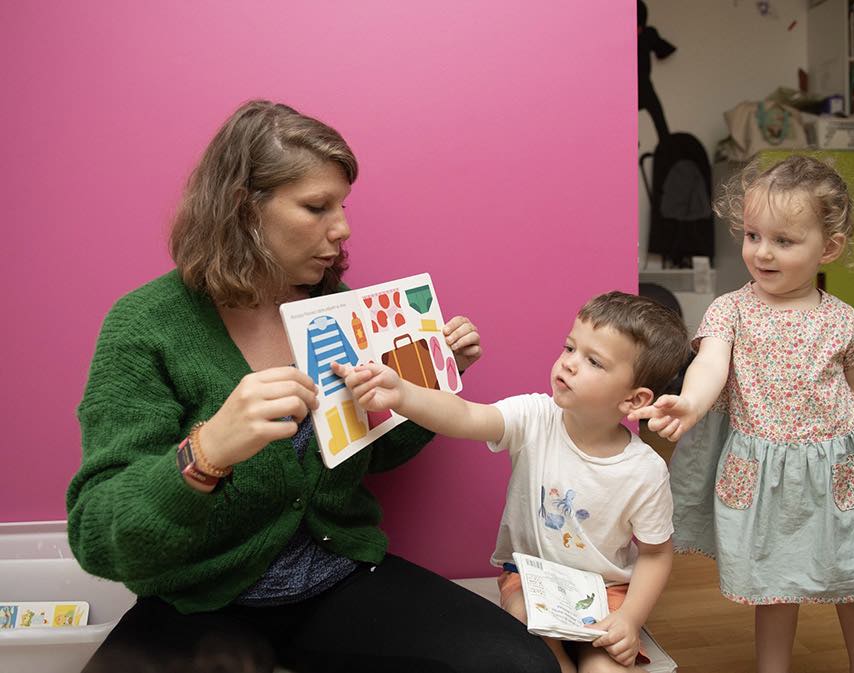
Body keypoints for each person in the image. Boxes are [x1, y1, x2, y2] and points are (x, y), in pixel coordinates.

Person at [66, 100, 561, 673]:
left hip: (338, 575)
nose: (343, 228)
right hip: (201, 599)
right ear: (242, 207)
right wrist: (206, 452)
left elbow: (368, 450)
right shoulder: (145, 326)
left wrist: (429, 383)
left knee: (520, 667)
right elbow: (97, 535)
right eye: (316, 206)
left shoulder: (336, 310)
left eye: (342, 205)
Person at [632, 155, 854, 673]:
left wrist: (844, 453)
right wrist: (689, 403)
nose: (762, 252)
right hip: (765, 474)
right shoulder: (730, 309)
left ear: (830, 248)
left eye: (784, 240)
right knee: (773, 588)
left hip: (836, 471)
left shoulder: (842, 320)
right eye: (753, 235)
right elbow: (710, 364)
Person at [335, 291, 690, 673]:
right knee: (541, 655)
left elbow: (655, 554)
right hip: (530, 581)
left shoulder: (646, 470)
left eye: (593, 361)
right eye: (569, 347)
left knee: (604, 669)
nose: (568, 364)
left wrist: (629, 620)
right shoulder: (535, 415)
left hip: (606, 591)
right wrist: (402, 394)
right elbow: (466, 416)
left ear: (634, 401)